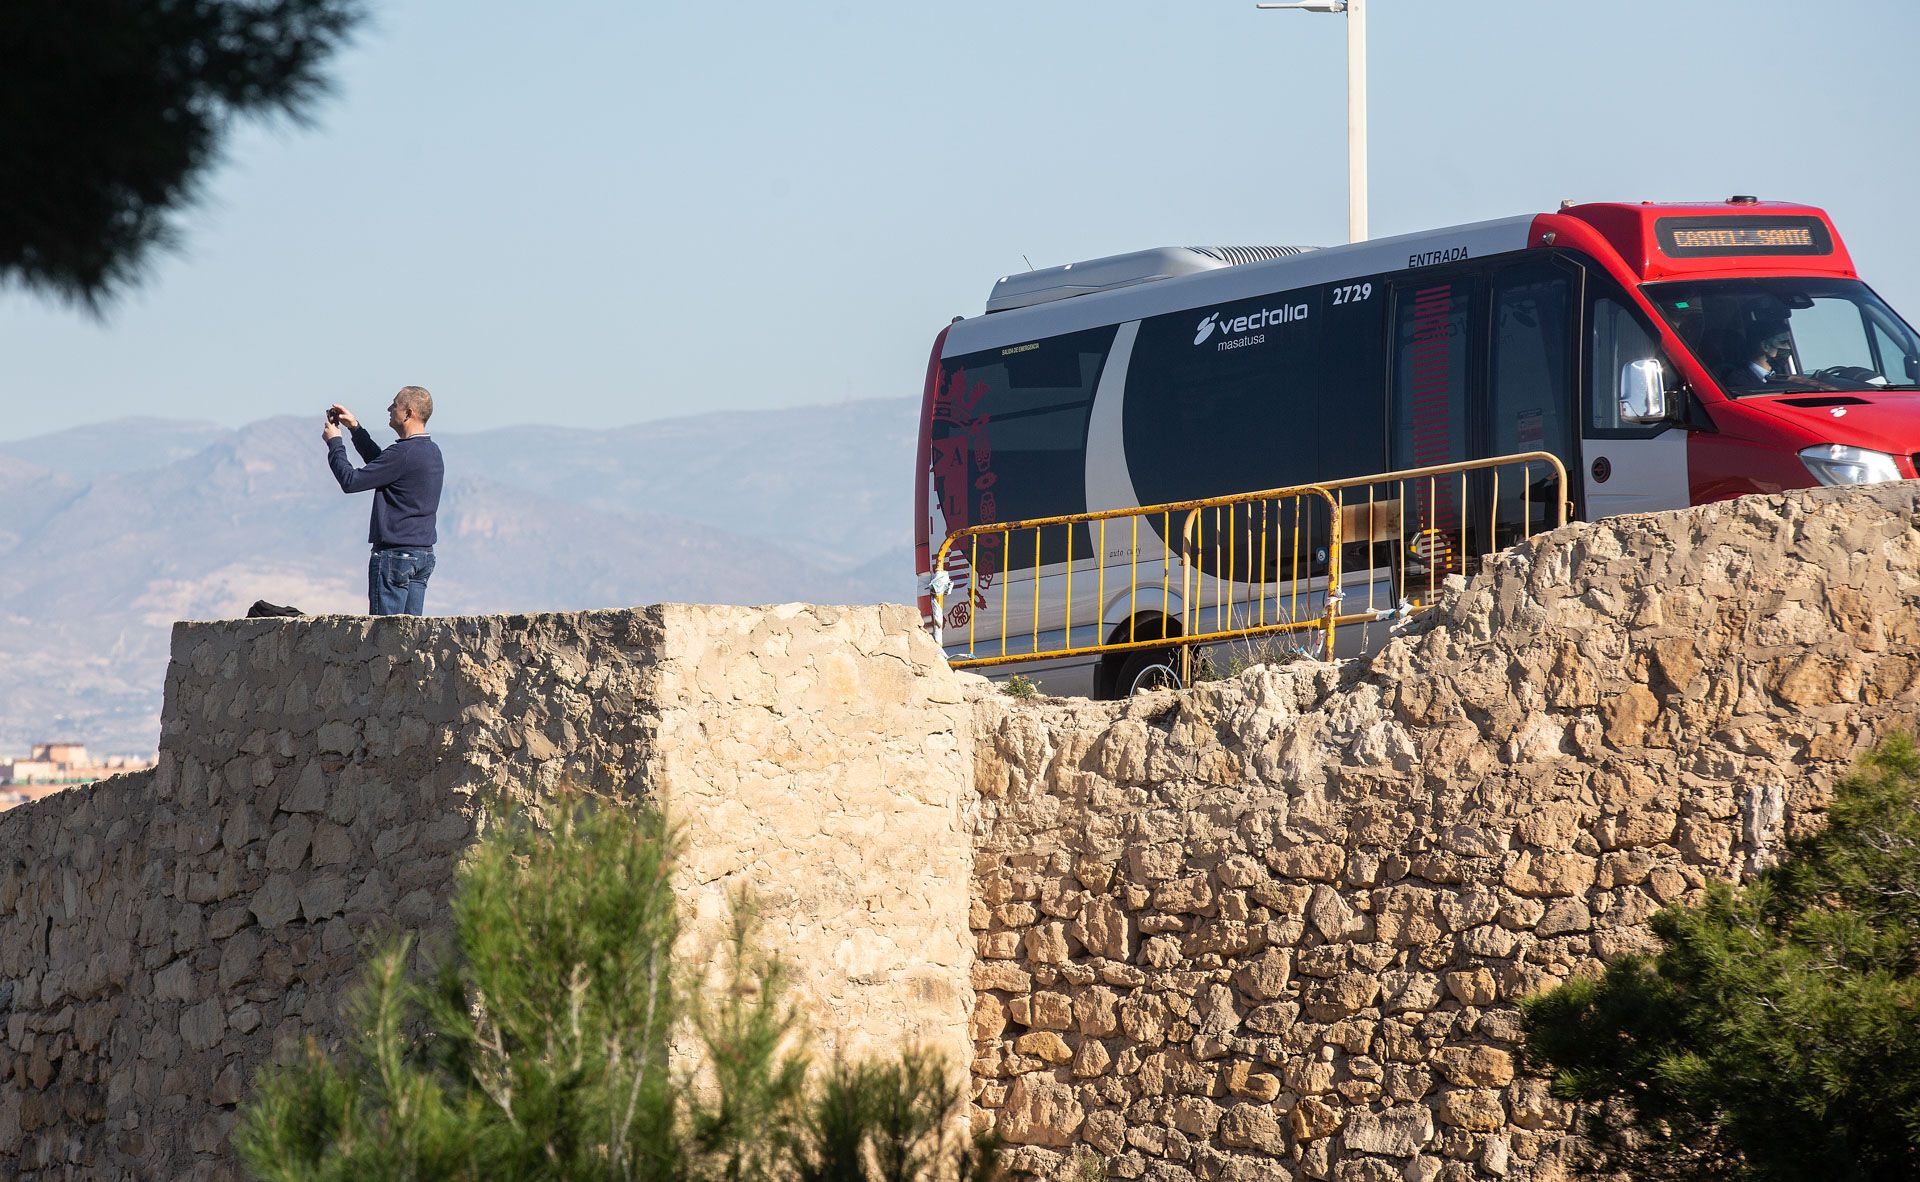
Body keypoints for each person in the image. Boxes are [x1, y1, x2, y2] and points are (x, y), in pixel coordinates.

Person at [322, 386, 445, 615]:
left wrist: (335, 444)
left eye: (394, 404)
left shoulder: (404, 453)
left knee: (386, 638)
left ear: (408, 413)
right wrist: (355, 429)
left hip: (395, 557)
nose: (389, 409)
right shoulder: (431, 451)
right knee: (409, 639)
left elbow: (351, 481)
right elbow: (383, 466)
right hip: (422, 555)